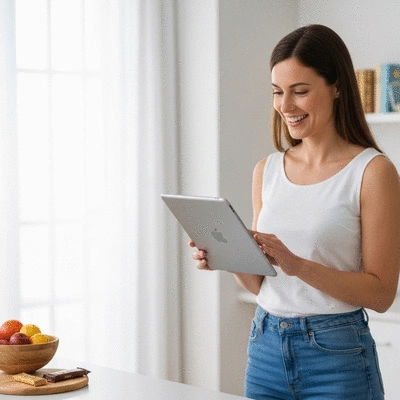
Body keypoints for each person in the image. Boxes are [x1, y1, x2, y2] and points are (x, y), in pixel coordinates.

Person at [190, 24, 400, 399]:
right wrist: (229, 254)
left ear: (336, 87)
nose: (286, 106)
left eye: (300, 91)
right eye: (277, 92)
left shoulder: (372, 172)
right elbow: (263, 283)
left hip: (337, 355)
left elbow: (382, 293)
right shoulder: (267, 170)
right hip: (266, 346)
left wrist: (297, 264)